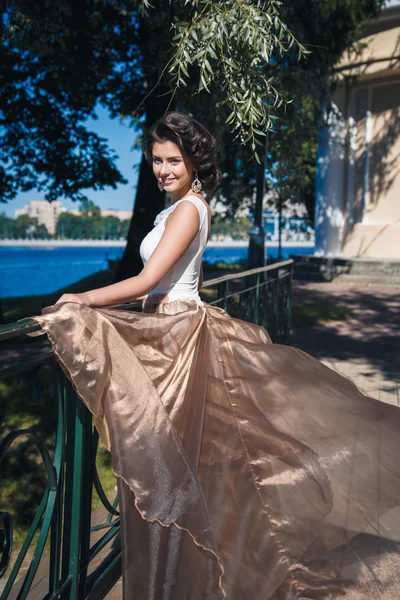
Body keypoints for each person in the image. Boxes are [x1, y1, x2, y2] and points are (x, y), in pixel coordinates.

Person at [32, 112, 400, 599]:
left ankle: (196, 574)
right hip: (171, 331)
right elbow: (184, 280)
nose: (163, 170)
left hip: (180, 339)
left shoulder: (187, 210)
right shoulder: (178, 208)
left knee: (179, 469)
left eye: (173, 161)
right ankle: (195, 571)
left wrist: (83, 298)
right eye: (157, 161)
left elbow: (147, 282)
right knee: (188, 467)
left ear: (193, 162)